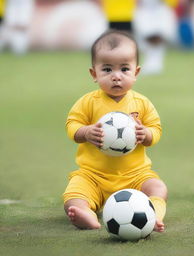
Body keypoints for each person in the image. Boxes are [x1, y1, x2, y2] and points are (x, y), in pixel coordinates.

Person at [63, 30, 168, 233]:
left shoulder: (142, 103)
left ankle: (153, 214)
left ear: (136, 73)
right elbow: (71, 125)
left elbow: (156, 129)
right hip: (93, 175)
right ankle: (85, 213)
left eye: (125, 69)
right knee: (73, 195)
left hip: (135, 174)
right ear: (94, 74)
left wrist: (145, 134)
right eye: (107, 69)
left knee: (158, 188)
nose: (116, 77)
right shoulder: (88, 102)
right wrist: (85, 132)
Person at [133, 0, 178, 75]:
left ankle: (156, 63)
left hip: (159, 8)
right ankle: (151, 61)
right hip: (144, 9)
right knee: (146, 36)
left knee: (158, 36)